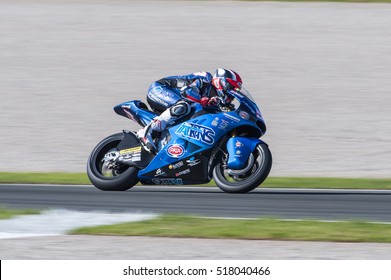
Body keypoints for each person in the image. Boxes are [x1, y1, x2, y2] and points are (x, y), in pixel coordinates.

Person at [137, 68, 243, 153]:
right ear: (222, 82)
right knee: (184, 106)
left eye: (234, 91)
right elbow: (187, 92)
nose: (231, 93)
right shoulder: (205, 80)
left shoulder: (218, 103)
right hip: (160, 89)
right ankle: (147, 132)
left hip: (174, 103)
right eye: (230, 88)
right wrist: (204, 100)